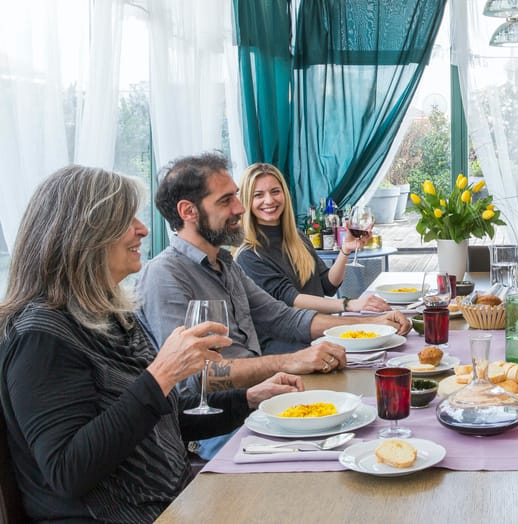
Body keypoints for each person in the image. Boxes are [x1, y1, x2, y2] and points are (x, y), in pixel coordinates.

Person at [0, 166, 302, 523]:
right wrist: (161, 374)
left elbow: (159, 420)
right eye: (127, 220)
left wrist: (247, 399)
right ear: (85, 235)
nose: (143, 230)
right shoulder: (40, 335)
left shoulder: (110, 314)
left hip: (173, 504)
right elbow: (68, 471)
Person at [138, 152, 410, 390]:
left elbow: (286, 318)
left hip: (260, 394)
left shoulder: (226, 265)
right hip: (224, 425)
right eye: (226, 201)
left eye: (236, 195)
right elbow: (190, 378)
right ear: (188, 211)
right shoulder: (165, 275)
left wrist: (373, 323)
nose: (240, 208)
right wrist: (291, 361)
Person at [235, 162, 391, 314]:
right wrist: (348, 304)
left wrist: (345, 250)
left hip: (322, 332)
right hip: (291, 339)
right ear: (246, 201)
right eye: (258, 195)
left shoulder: (297, 237)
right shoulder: (248, 254)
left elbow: (328, 285)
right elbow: (291, 298)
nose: (269, 200)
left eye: (275, 191)